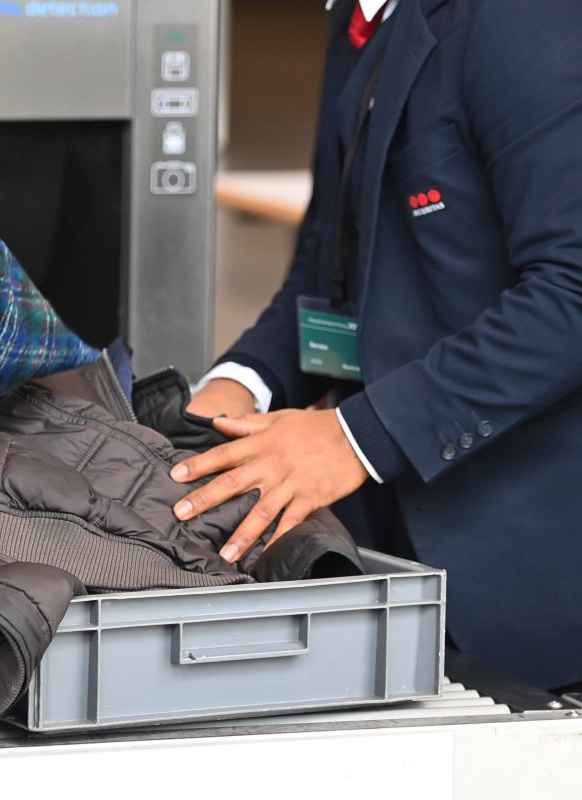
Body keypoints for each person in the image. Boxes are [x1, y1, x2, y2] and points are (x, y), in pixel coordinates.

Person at [175, 0, 582, 692]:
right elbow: (329, 266)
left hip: (524, 574)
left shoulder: (520, 18)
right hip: (383, 544)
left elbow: (571, 293)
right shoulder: (359, 20)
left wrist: (355, 437)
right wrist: (240, 386)